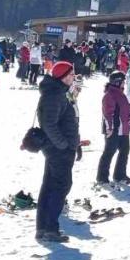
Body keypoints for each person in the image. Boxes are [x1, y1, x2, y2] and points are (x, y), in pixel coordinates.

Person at [35, 61, 81, 243]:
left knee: (49, 187)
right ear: (62, 76)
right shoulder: (54, 95)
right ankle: (50, 228)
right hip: (58, 150)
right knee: (59, 187)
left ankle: (43, 228)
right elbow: (49, 124)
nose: (73, 77)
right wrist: (63, 145)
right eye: (71, 75)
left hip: (59, 148)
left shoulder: (59, 93)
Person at [96, 70, 130, 185]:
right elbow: (108, 113)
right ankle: (102, 177)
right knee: (109, 152)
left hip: (124, 129)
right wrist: (109, 128)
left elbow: (124, 108)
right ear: (117, 82)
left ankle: (120, 175)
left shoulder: (120, 93)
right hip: (114, 129)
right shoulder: (110, 94)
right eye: (123, 81)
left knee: (124, 151)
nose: (124, 83)